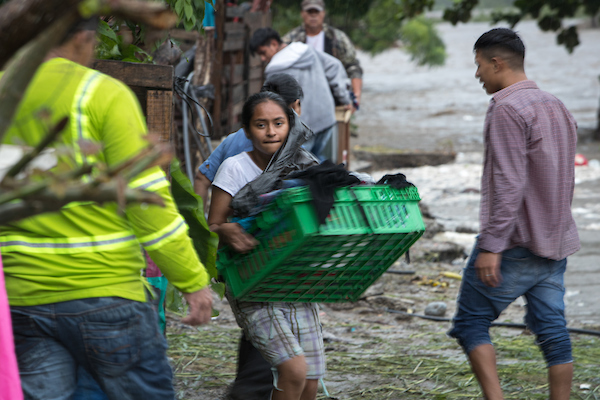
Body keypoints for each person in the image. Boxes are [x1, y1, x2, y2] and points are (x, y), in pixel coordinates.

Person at [0, 18, 213, 400]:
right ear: (83, 38)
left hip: (22, 298)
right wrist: (193, 281)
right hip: (106, 295)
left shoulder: (3, 94)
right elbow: (148, 205)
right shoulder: (101, 94)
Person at [448, 28, 580, 400]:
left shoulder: (506, 108)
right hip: (555, 242)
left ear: (496, 63)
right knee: (553, 331)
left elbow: (508, 184)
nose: (477, 75)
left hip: (515, 243)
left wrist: (491, 245)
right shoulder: (557, 105)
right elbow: (564, 177)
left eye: (478, 66)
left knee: (470, 323)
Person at [208, 92, 324, 400]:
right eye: (261, 125)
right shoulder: (234, 168)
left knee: (311, 380)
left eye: (278, 123)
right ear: (246, 130)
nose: (271, 132)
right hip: (252, 281)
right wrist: (227, 231)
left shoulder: (305, 166)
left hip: (295, 279)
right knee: (294, 370)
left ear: (290, 125)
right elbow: (213, 223)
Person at [249, 27, 351, 163]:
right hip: (326, 118)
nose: (262, 58)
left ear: (273, 44)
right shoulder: (306, 50)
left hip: (301, 129)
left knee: (295, 174)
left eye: (263, 52)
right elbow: (335, 66)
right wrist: (344, 98)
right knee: (325, 170)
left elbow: (272, 107)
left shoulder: (274, 69)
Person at [282, 0, 363, 109]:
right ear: (302, 13)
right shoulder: (291, 40)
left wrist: (356, 96)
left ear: (323, 13)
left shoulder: (337, 37)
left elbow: (353, 66)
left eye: (317, 12)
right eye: (310, 12)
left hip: (334, 100)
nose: (313, 16)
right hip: (301, 101)